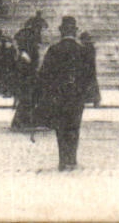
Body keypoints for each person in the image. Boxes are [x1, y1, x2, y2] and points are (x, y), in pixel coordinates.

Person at [36, 16, 97, 171]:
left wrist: (45, 94)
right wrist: (92, 95)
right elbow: (90, 75)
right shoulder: (83, 50)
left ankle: (63, 160)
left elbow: (44, 75)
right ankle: (72, 159)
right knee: (74, 127)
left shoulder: (54, 50)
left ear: (61, 32)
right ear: (75, 32)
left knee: (61, 128)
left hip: (59, 96)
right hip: (77, 96)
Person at [11, 15, 43, 130]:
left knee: (29, 98)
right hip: (27, 74)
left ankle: (24, 120)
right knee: (27, 98)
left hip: (28, 72)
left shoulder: (28, 36)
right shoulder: (29, 37)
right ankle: (21, 122)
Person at [80, 32, 102, 107]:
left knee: (88, 85)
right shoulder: (90, 47)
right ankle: (95, 100)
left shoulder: (86, 48)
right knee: (92, 85)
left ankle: (94, 100)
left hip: (87, 69)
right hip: (90, 69)